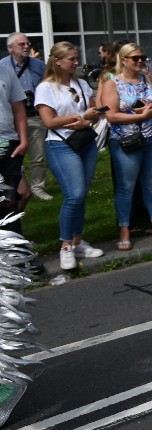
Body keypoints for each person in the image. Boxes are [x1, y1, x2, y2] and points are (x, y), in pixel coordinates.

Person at [100, 43, 152, 249]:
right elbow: (111, 115)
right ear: (123, 60)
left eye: (142, 57)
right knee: (126, 187)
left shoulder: (148, 79)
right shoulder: (113, 84)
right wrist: (139, 116)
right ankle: (124, 230)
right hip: (127, 141)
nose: (140, 61)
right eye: (135, 58)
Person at [34, 43, 105, 271]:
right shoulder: (46, 88)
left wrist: (89, 120)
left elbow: (94, 111)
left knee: (82, 194)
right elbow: (49, 121)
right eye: (71, 59)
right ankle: (65, 245)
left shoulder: (81, 83)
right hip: (60, 144)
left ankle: (77, 240)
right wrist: (82, 116)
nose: (76, 62)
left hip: (85, 142)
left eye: (76, 58)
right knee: (73, 194)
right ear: (57, 61)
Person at [2, 33, 50, 201]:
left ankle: (38, 186)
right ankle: (17, 182)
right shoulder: (3, 67)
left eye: (28, 43)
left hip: (34, 114)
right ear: (10, 48)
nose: (26, 46)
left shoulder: (39, 65)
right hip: (12, 118)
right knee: (14, 155)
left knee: (38, 154)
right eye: (21, 44)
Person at [0, 52, 28, 235]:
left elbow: (18, 109)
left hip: (8, 143)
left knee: (10, 200)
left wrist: (23, 140)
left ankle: (15, 255)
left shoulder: (6, 72)